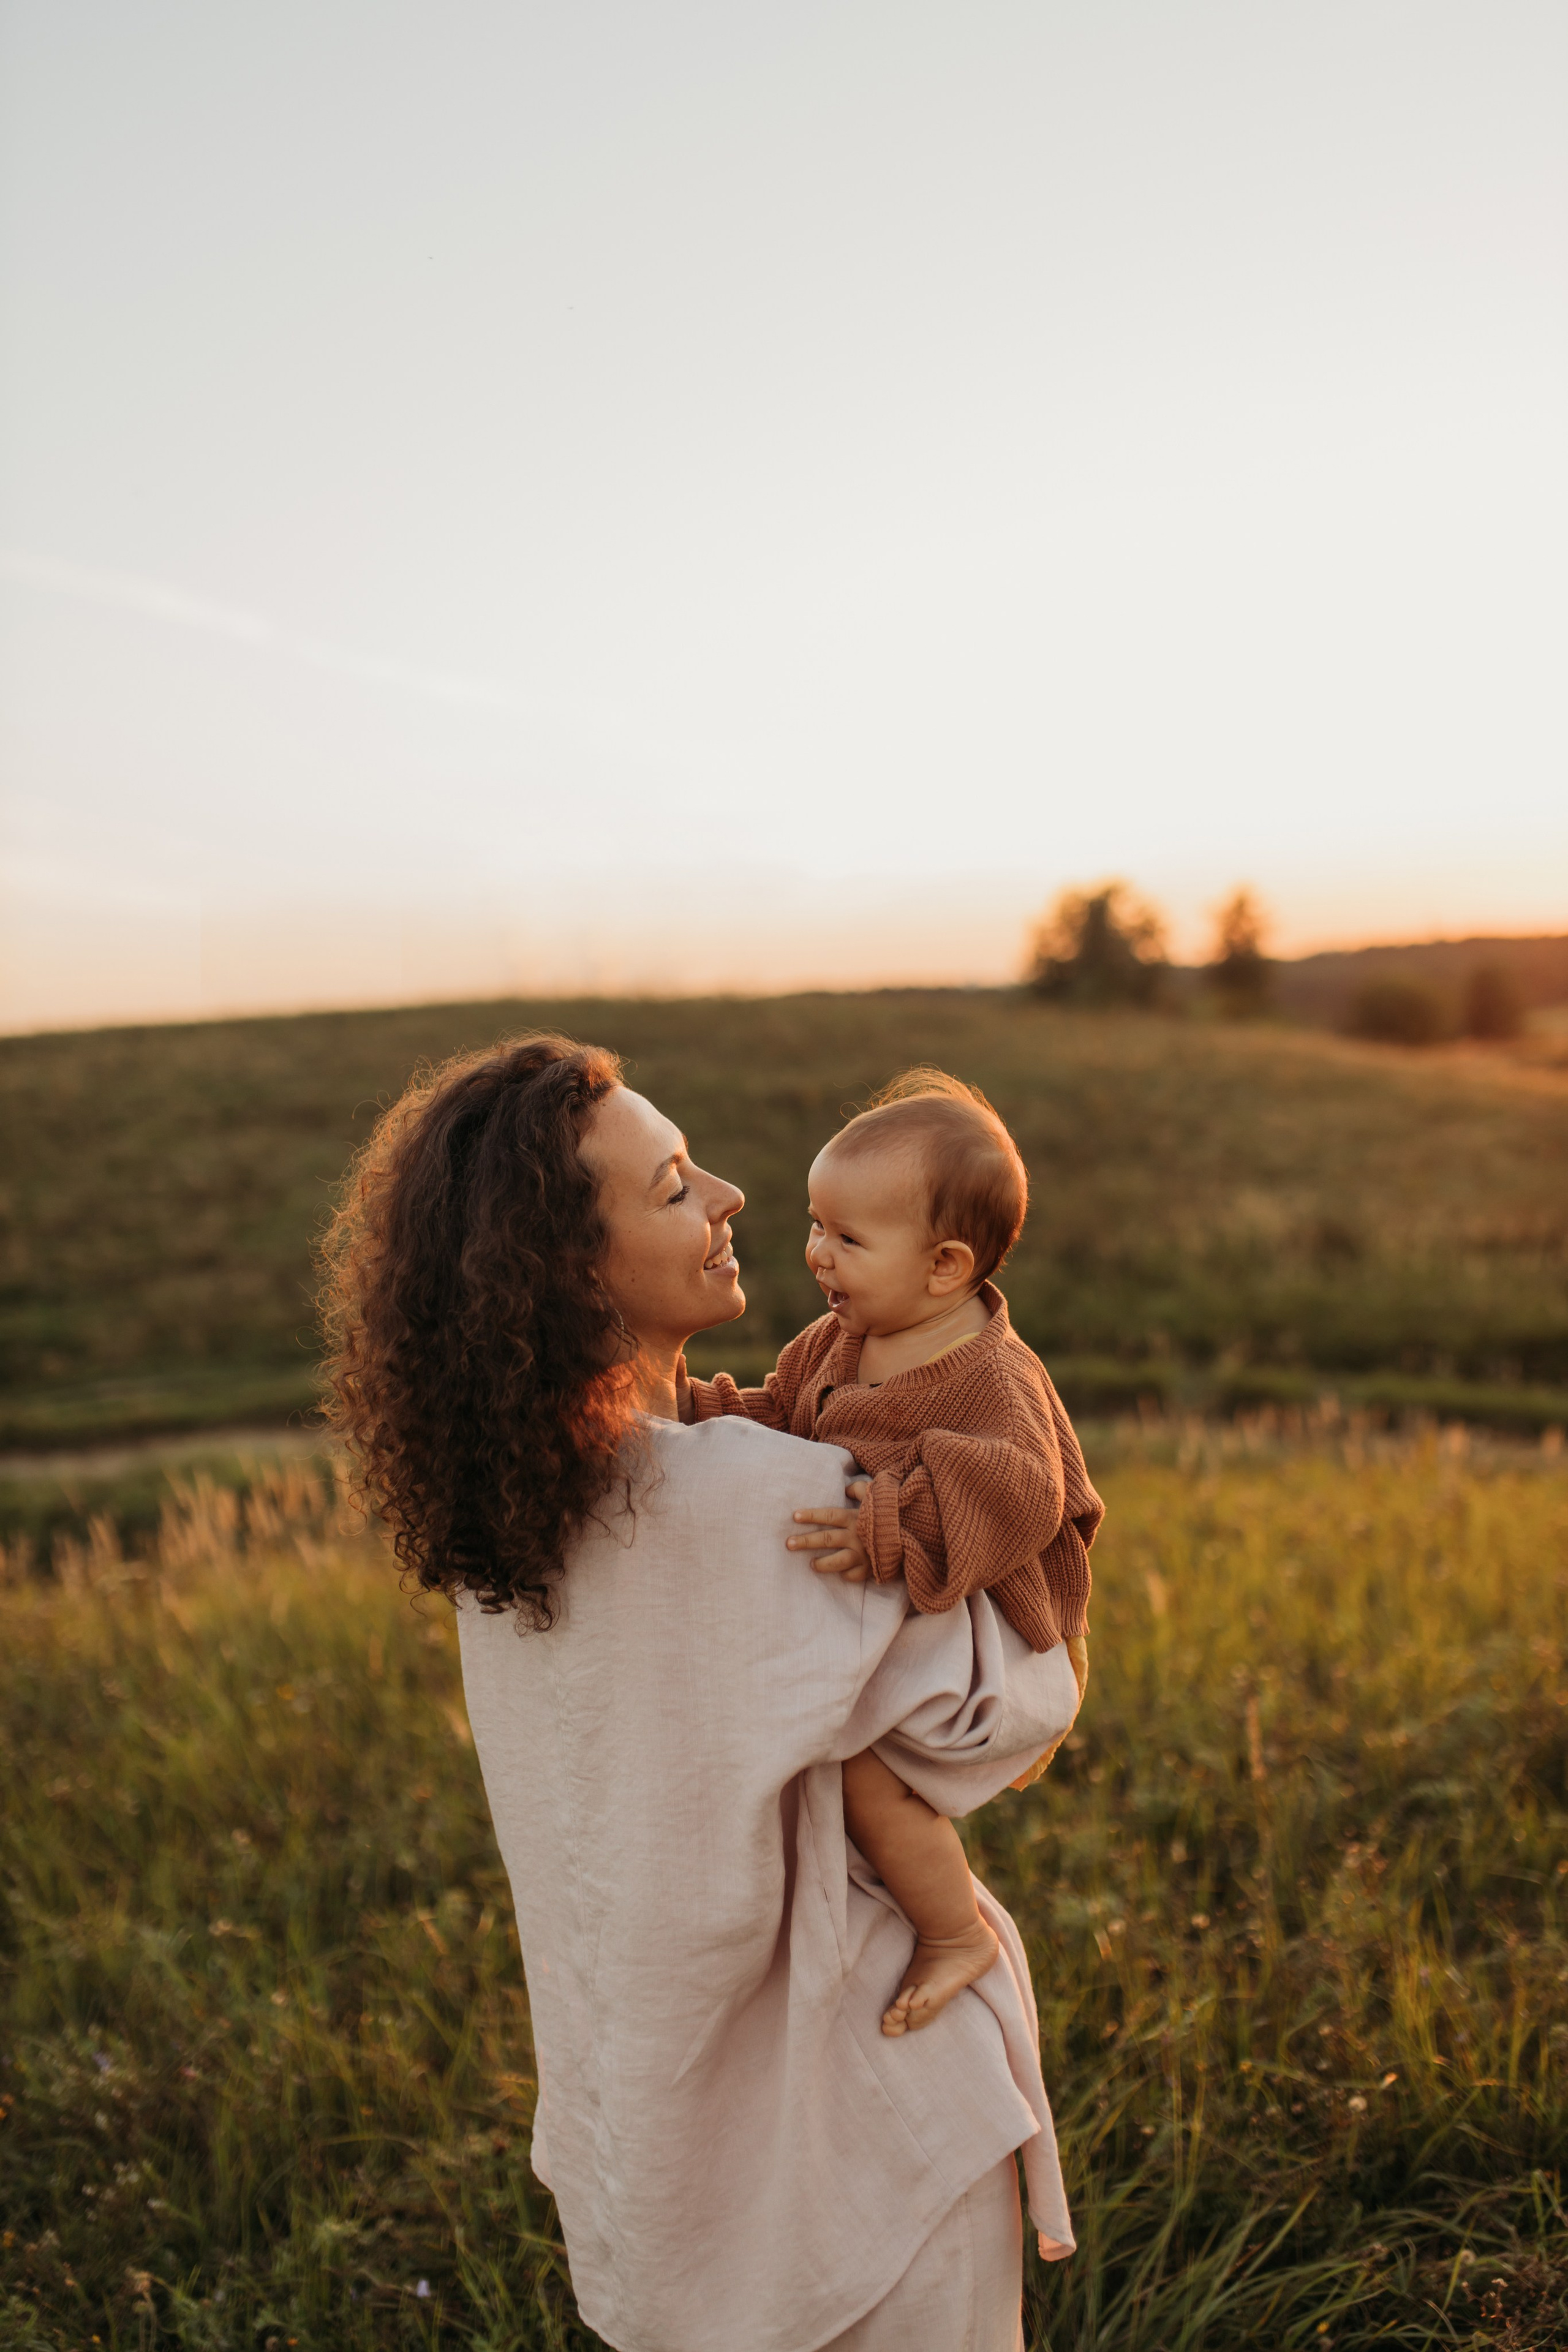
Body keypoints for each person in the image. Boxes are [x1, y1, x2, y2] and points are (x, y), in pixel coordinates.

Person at [320, 1033, 1084, 2352]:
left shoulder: (513, 1518)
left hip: (655, 2137)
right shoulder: (776, 1509)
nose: (729, 1196)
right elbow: (1005, 1718)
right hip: (857, 2103)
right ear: (572, 1266)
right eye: (674, 1186)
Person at [679, 1069, 1102, 2035]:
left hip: (1007, 1637)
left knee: (865, 1769)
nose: (815, 1252)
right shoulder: (840, 1338)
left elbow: (1018, 1493)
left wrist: (889, 1525)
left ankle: (955, 1931)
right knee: (824, 1752)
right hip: (928, 1615)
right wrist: (692, 1413)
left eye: (847, 1238)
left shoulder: (988, 1378)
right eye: (817, 1224)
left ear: (947, 1266)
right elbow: (781, 1417)